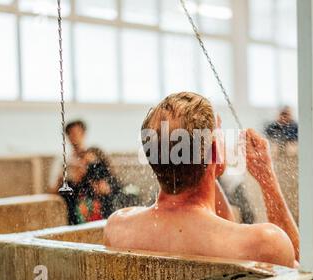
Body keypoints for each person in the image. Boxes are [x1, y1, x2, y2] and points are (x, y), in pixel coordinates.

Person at [104, 92, 299, 268]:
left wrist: (205, 160)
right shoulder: (266, 243)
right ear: (214, 150)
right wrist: (268, 181)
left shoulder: (119, 227)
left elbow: (218, 222)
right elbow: (303, 276)